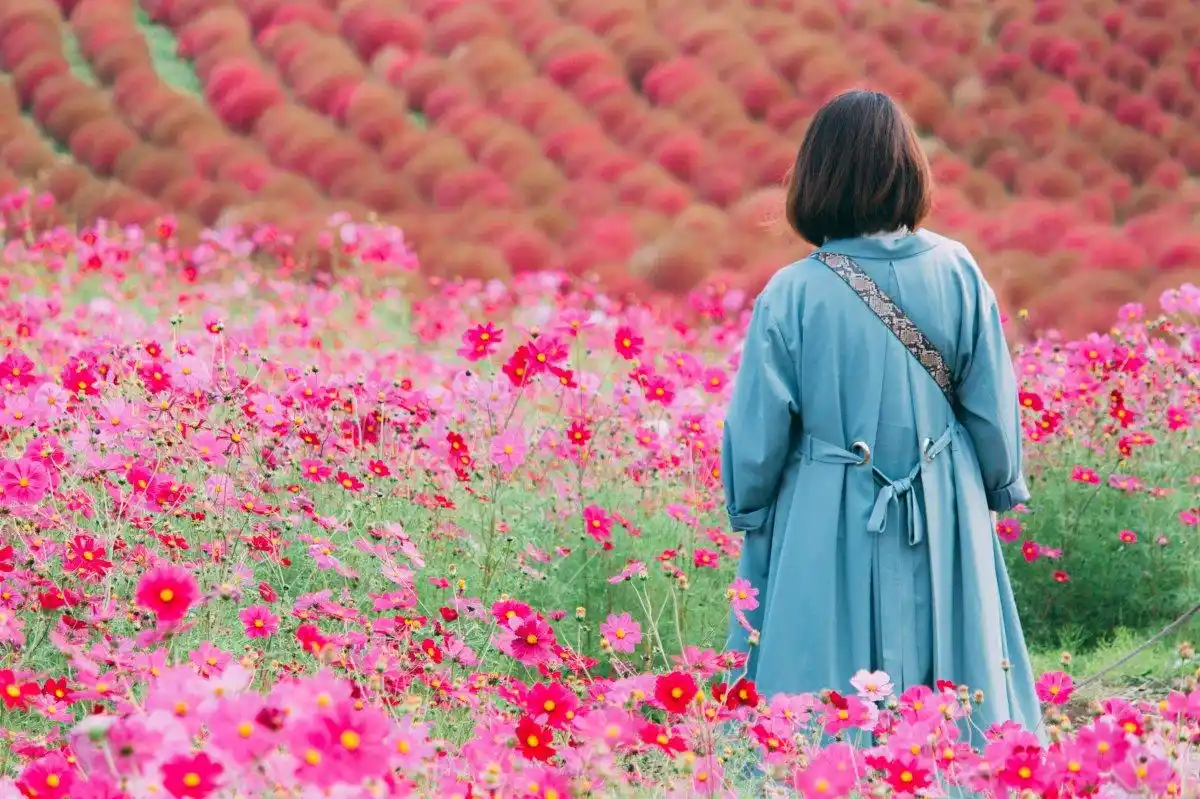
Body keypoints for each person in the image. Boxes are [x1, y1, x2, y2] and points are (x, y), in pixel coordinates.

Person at [722, 89, 1041, 741]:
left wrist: (751, 508)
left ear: (816, 175)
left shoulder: (792, 293)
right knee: (957, 687)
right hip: (943, 503)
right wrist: (1000, 484)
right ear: (909, 168)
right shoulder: (958, 270)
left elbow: (756, 435)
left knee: (818, 703)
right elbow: (991, 406)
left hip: (827, 507)